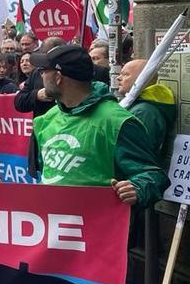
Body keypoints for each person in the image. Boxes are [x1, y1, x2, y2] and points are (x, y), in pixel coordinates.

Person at [29, 45, 167, 207]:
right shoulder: (45, 119)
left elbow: (153, 175)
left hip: (101, 226)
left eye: (44, 70)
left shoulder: (116, 122)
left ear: (58, 77)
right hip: (56, 226)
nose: (41, 75)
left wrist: (136, 189)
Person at [117, 59, 177, 167]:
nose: (118, 78)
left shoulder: (144, 112)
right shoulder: (139, 105)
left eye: (126, 74)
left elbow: (136, 152)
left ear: (143, 79)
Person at [14, 36, 65, 117]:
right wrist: (37, 95)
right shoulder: (36, 72)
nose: (43, 74)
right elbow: (19, 102)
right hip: (43, 125)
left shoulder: (72, 73)